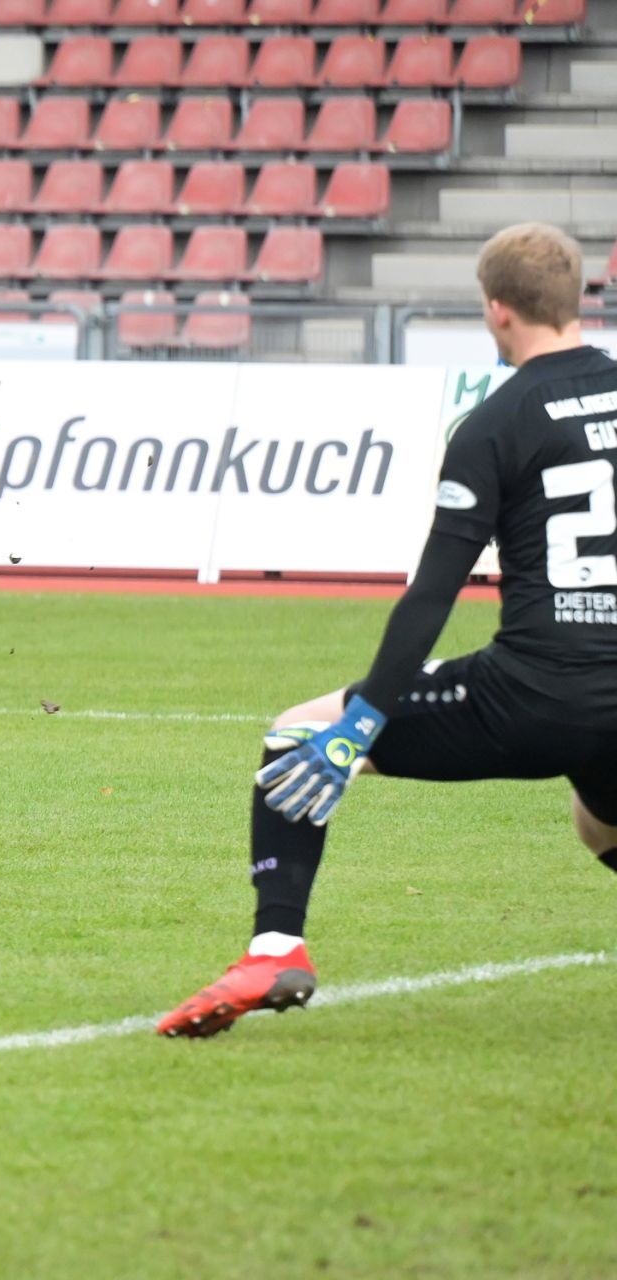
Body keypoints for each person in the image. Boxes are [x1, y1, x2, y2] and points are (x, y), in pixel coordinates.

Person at [158, 223, 617, 1038]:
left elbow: (432, 595)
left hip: (535, 696)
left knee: (298, 732)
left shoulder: (494, 423)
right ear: (575, 296)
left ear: (497, 309)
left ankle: (274, 949)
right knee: (601, 821)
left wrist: (361, 723)